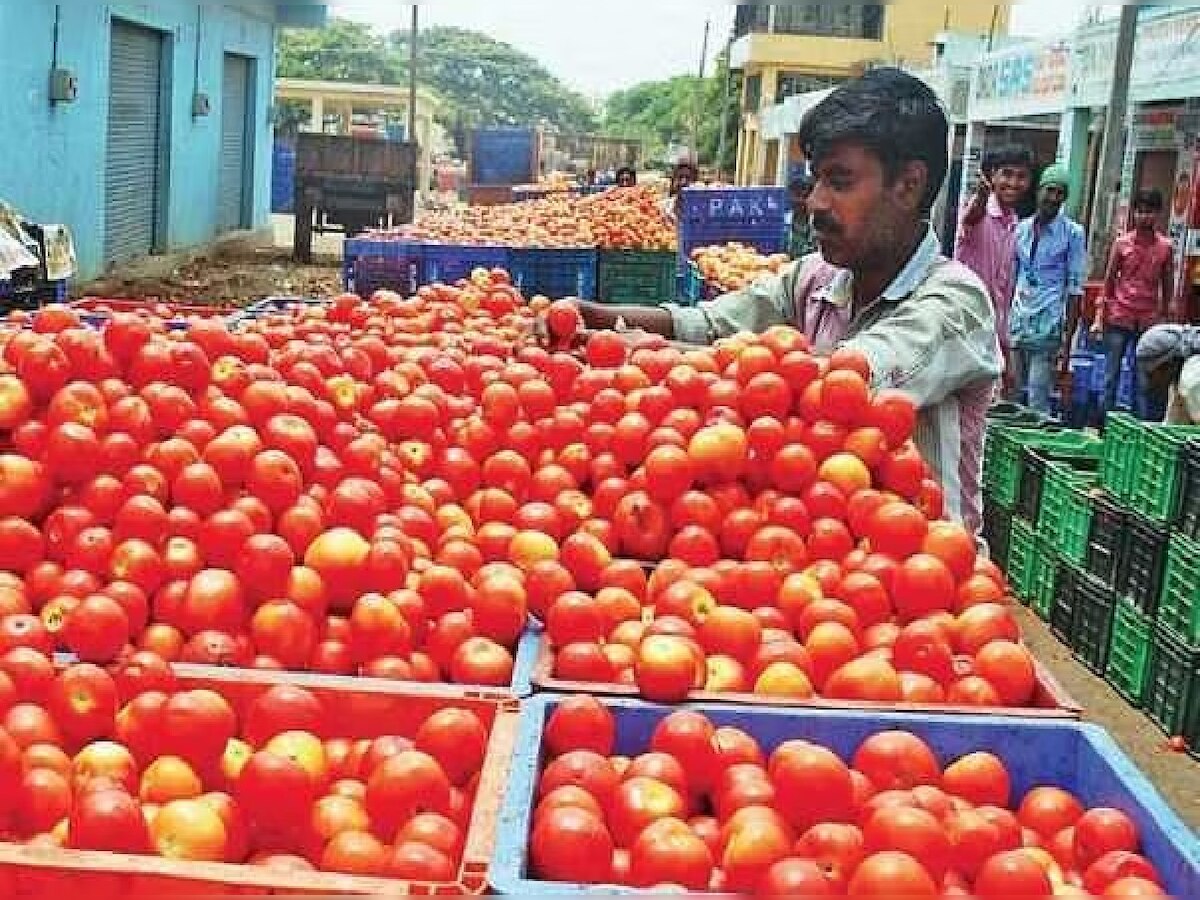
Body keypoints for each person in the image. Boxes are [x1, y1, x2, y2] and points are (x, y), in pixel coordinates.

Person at [573, 67, 1002, 536]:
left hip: (927, 576)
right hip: (827, 554)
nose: (814, 202)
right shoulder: (817, 278)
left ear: (907, 185)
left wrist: (646, 353)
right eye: (815, 181)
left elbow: (841, 386)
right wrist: (598, 316)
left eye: (839, 182)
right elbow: (709, 324)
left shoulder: (955, 301)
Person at [954, 145, 1035, 396]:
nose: (1013, 182)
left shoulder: (1014, 224)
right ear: (992, 176)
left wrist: (1006, 353)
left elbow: (1003, 294)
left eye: (1021, 176)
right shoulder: (980, 213)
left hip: (991, 334)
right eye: (1006, 174)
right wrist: (980, 195)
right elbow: (972, 215)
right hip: (963, 326)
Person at [1009, 164, 1087, 414]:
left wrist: (1067, 343)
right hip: (1017, 323)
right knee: (1009, 396)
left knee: (1037, 399)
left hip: (1048, 326)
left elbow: (1075, 289)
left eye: (1060, 193)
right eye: (1049, 190)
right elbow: (1010, 278)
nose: (1053, 198)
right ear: (1039, 192)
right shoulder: (1020, 229)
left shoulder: (1072, 234)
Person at [1091, 189, 1175, 421]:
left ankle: (1139, 426)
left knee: (1142, 379)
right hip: (1120, 316)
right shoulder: (1121, 244)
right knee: (1111, 375)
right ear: (1134, 213)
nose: (1144, 217)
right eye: (1140, 211)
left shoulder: (1165, 248)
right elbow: (1108, 283)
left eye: (1150, 212)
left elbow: (1168, 286)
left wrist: (1167, 319)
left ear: (1158, 214)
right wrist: (1100, 317)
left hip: (1148, 320)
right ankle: (1103, 425)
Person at [1135, 324, 1200, 423]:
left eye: (1151, 375)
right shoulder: (1178, 377)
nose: (1151, 384)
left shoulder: (1192, 377)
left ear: (1165, 365)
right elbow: (1174, 422)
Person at [788, 170, 817, 259]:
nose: (799, 200)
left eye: (804, 196)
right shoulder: (785, 222)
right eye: (796, 195)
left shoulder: (817, 226)